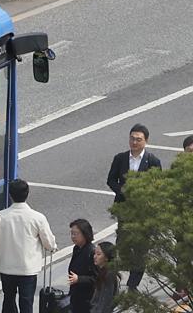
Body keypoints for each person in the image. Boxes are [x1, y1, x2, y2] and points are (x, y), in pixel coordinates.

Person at [0, 178, 58, 313]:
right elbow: (48, 242)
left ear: (10, 195)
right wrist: (52, 247)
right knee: (26, 302)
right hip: (28, 269)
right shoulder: (37, 217)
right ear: (27, 194)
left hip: (7, 268)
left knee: (8, 300)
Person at [107, 124, 162, 290]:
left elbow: (158, 185)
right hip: (124, 208)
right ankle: (114, 279)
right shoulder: (120, 158)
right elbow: (111, 180)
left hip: (143, 211)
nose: (134, 142)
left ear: (146, 141)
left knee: (140, 247)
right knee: (122, 243)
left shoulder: (153, 161)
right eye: (132, 138)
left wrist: (142, 193)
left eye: (138, 139)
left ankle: (133, 284)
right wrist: (122, 190)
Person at [67, 219, 97, 313]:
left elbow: (97, 278)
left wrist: (79, 279)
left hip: (87, 298)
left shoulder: (91, 252)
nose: (73, 236)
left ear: (85, 234)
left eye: (76, 234)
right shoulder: (77, 248)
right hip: (76, 295)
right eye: (72, 233)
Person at [91, 242, 120, 313]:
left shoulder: (109, 276)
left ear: (106, 258)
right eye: (95, 253)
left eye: (98, 254)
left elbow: (105, 302)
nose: (94, 256)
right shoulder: (103, 271)